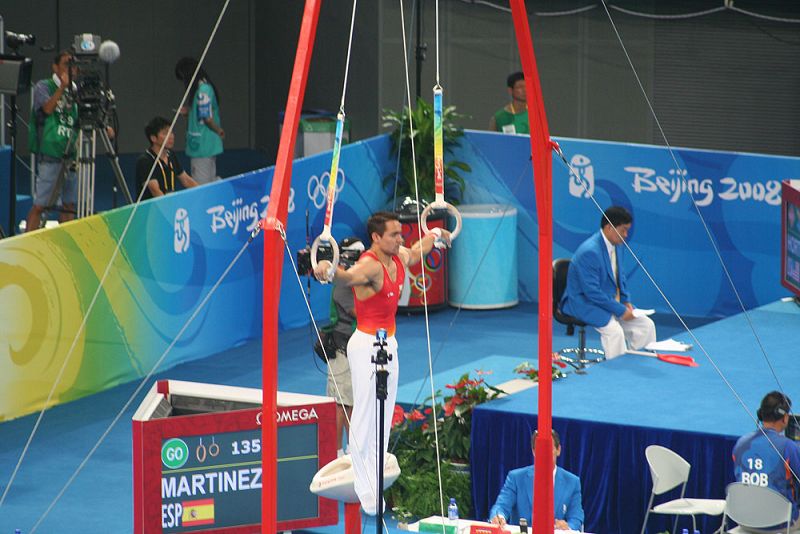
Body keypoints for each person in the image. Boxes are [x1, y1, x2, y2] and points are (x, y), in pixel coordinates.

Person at [313, 212, 450, 515]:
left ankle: (373, 475)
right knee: (364, 414)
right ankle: (364, 488)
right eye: (394, 235)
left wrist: (436, 235)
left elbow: (418, 251)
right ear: (376, 238)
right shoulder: (370, 265)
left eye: (400, 233)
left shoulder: (399, 255)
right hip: (365, 345)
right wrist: (328, 269)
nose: (400, 239)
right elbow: (348, 277)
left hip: (389, 342)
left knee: (384, 414)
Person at [559, 206, 656, 359]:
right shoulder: (589, 252)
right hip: (583, 302)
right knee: (614, 332)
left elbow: (620, 277)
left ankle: (641, 362)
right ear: (609, 227)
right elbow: (592, 292)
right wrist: (620, 310)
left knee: (646, 325)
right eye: (623, 230)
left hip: (607, 300)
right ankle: (618, 369)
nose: (626, 235)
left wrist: (626, 301)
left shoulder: (617, 245)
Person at [26, 50, 78, 232]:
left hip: (71, 154)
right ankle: (28, 243)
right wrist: (62, 87)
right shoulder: (44, 86)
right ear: (55, 67)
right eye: (66, 64)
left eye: (73, 65)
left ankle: (66, 241)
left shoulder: (77, 92)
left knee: (69, 204)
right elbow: (47, 109)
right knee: (41, 205)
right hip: (50, 153)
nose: (71, 68)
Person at [489, 430, 584, 531]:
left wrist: (568, 527)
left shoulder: (572, 482)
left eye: (549, 449)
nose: (545, 454)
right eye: (540, 449)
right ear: (534, 452)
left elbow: (576, 518)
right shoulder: (516, 478)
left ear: (558, 450)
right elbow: (501, 506)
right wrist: (499, 517)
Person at [732, 391, 800, 532]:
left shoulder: (740, 443)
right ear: (785, 418)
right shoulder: (789, 447)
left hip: (744, 520)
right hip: (779, 523)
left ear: (760, 414)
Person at [323, 237, 366, 457]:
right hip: (341, 350)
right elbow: (359, 313)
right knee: (340, 403)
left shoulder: (356, 278)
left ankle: (352, 449)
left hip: (355, 349)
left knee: (352, 402)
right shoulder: (343, 282)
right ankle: (337, 451)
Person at [174, 57, 224, 184]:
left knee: (201, 183)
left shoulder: (203, 90)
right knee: (210, 178)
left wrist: (219, 130)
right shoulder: (203, 88)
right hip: (205, 143)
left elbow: (206, 117)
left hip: (202, 145)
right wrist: (189, 113)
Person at [135, 117, 198, 200]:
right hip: (152, 206)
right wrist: (169, 207)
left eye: (171, 132)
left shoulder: (171, 155)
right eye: (165, 133)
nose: (171, 136)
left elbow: (186, 180)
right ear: (153, 138)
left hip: (168, 203)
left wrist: (204, 193)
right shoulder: (145, 161)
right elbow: (155, 191)